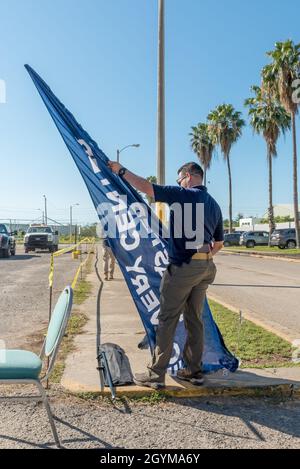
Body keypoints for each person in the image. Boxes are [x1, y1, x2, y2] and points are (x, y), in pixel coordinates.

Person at [107, 160, 224, 389]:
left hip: (183, 268)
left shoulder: (183, 194)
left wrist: (121, 171)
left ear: (189, 176)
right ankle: (194, 371)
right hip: (206, 266)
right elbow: (219, 243)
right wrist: (202, 257)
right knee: (194, 319)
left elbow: (147, 187)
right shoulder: (213, 204)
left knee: (167, 319)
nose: (178, 182)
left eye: (179, 178)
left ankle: (156, 374)